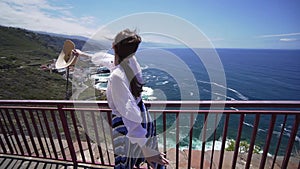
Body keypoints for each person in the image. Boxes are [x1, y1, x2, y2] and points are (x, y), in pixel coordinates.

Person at [73, 29, 169, 169]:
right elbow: (107, 60)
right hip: (144, 118)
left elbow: (129, 113)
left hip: (129, 126)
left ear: (113, 46)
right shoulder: (131, 62)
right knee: (156, 162)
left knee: (126, 163)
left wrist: (144, 147)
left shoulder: (116, 77)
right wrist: (82, 55)